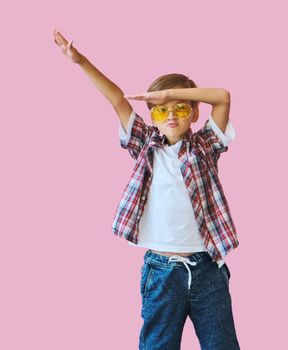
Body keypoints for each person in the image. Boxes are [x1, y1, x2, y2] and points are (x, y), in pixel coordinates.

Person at [53, 29, 240, 350]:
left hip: (208, 270)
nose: (170, 115)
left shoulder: (206, 145)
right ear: (152, 114)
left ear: (194, 112)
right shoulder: (144, 144)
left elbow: (222, 96)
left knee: (221, 345)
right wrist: (81, 61)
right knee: (157, 345)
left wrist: (172, 94)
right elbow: (116, 98)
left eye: (181, 108)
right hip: (162, 271)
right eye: (162, 109)